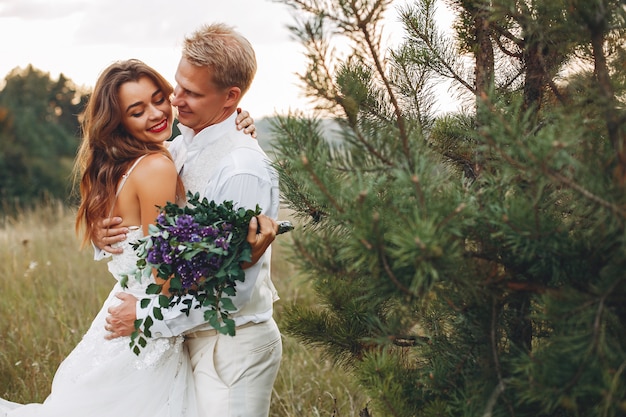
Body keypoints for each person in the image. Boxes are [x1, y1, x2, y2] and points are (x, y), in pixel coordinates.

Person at [0, 59, 204, 417]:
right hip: (144, 328)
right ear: (119, 122)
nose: (157, 113)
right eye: (137, 110)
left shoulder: (125, 167)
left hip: (120, 320)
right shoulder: (156, 167)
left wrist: (237, 122)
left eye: (159, 98)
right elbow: (165, 278)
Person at [102, 23, 282, 417]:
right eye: (178, 85)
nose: (175, 100)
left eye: (193, 93)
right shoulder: (180, 148)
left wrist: (146, 315)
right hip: (186, 342)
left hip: (232, 349)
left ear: (230, 97)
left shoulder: (241, 170)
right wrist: (110, 235)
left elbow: (231, 290)